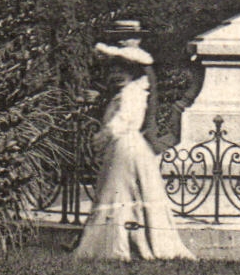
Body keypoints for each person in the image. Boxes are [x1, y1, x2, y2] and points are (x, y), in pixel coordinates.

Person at [73, 40, 195, 261]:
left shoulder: (132, 92)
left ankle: (119, 246)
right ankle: (128, 243)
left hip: (126, 145)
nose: (117, 74)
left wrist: (101, 137)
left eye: (124, 70)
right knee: (124, 191)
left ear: (134, 72)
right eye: (114, 70)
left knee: (118, 191)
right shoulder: (127, 91)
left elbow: (124, 121)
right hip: (126, 146)